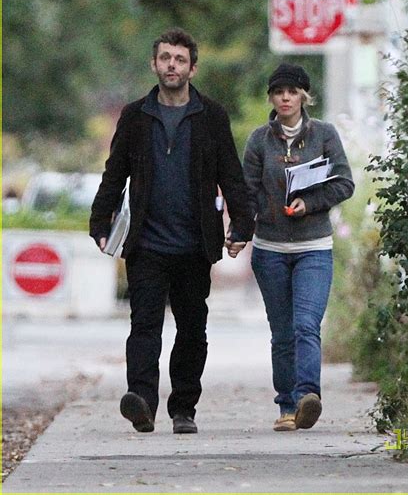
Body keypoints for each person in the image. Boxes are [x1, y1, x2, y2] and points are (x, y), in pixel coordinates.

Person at [90, 28, 254, 434]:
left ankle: (184, 408)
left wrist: (242, 223)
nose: (172, 66)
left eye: (180, 60)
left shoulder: (211, 116)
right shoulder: (136, 116)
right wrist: (101, 219)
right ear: (154, 64)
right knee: (143, 325)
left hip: (195, 242)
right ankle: (142, 402)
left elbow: (230, 174)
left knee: (192, 328)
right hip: (146, 241)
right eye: (165, 58)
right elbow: (116, 172)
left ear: (192, 68)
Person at [237, 63, 354, 432]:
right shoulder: (259, 140)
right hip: (270, 248)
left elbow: (344, 183)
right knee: (283, 331)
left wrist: (311, 202)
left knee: (307, 324)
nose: (285, 97)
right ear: (271, 97)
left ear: (304, 95)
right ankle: (286, 406)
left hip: (313, 247)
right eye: (278, 91)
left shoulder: (325, 135)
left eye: (292, 91)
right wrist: (242, 229)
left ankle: (307, 397)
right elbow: (247, 192)